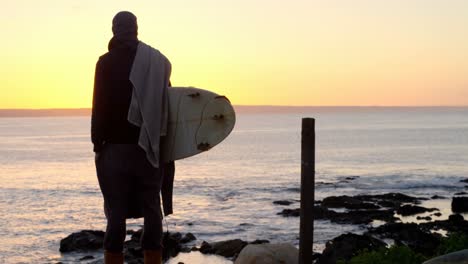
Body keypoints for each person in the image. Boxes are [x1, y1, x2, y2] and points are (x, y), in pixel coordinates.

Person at [91, 11, 173, 264]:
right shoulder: (157, 61)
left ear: (115, 29)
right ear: (136, 28)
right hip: (149, 147)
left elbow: (99, 106)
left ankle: (114, 257)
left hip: (114, 149)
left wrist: (97, 143)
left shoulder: (105, 62)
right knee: (152, 207)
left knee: (115, 211)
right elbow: (167, 103)